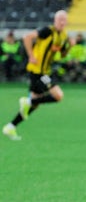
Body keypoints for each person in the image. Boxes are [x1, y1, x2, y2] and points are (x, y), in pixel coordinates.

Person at [3, 10, 74, 141]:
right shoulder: (47, 31)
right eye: (60, 19)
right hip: (37, 71)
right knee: (58, 95)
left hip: (45, 71)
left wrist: (70, 47)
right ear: (55, 20)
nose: (62, 22)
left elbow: (63, 55)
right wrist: (31, 56)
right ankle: (27, 101)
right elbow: (27, 37)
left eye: (64, 20)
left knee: (34, 104)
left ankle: (11, 126)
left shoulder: (63, 36)